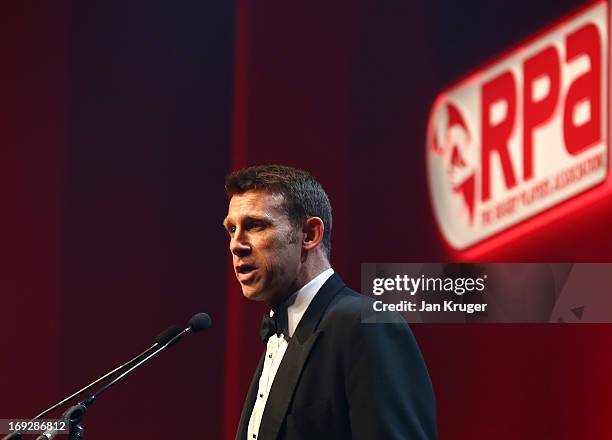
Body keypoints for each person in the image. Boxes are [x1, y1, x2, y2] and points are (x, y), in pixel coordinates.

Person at [223, 164, 437, 440]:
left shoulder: (365, 323)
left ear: (310, 234)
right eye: (231, 229)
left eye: (255, 225)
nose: (236, 245)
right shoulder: (280, 332)